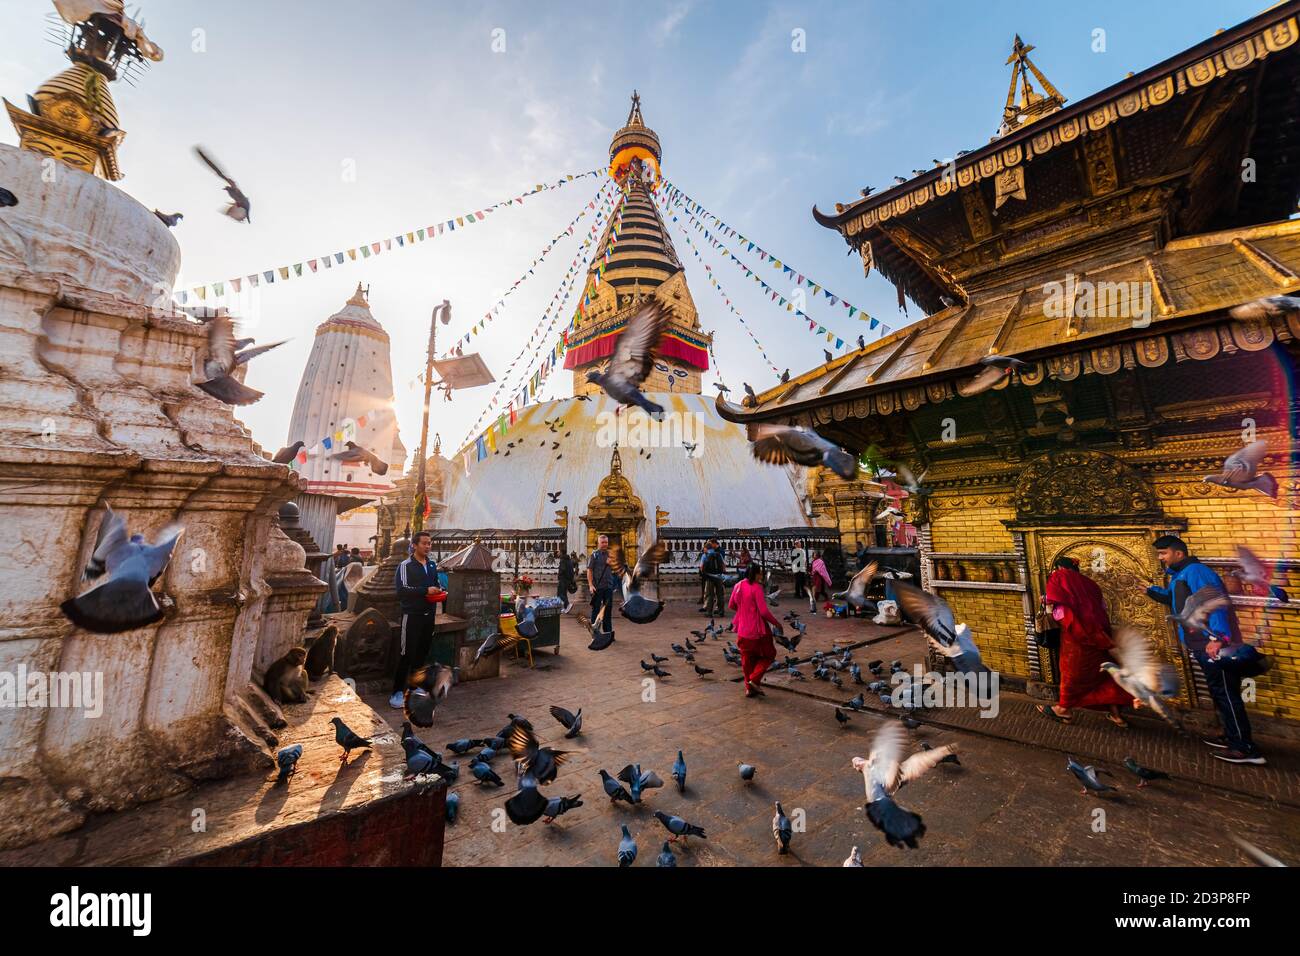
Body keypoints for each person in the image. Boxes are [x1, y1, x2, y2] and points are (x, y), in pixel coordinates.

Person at [1145, 534, 1263, 764]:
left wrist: (1218, 638)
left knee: (1226, 694)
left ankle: (1245, 748)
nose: (1161, 559)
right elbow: (1174, 600)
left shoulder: (1197, 572)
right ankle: (1231, 736)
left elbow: (1214, 603)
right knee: (1219, 690)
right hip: (1200, 643)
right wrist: (1150, 590)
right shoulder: (1180, 576)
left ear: (1178, 553)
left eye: (1164, 554)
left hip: (1213, 644)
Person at [1035, 557, 1132, 727]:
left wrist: (1047, 603)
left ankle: (1063, 709)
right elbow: (1101, 607)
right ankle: (1116, 715)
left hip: (1077, 637)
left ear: (1059, 567)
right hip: (1101, 635)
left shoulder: (1059, 577)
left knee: (1072, 676)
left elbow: (1060, 610)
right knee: (1105, 675)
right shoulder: (1090, 584)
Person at [390, 530, 443, 709]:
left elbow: (435, 584)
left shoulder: (432, 565)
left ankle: (413, 689)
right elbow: (402, 590)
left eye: (429, 543)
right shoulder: (405, 566)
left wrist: (438, 590)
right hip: (412, 615)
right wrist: (425, 591)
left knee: (421, 654)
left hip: (429, 616)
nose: (428, 546)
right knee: (407, 654)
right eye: (424, 543)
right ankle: (397, 691)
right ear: (414, 545)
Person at [729, 563, 784, 697]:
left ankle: (749, 688)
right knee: (769, 654)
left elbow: (731, 605)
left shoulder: (738, 585)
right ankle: (754, 679)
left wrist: (744, 612)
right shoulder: (756, 588)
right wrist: (776, 624)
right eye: (760, 573)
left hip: (742, 630)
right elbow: (764, 612)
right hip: (757, 631)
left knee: (747, 661)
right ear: (756, 574)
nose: (762, 575)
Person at [587, 534, 615, 633]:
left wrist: (612, 563)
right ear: (598, 543)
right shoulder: (594, 555)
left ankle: (608, 632)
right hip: (597, 587)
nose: (604, 544)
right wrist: (590, 585)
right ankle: (595, 632)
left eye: (606, 542)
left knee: (608, 610)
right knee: (596, 610)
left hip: (608, 586)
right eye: (602, 542)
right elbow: (589, 570)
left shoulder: (611, 554)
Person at [701, 538, 726, 617]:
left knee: (710, 595)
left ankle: (709, 612)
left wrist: (705, 574)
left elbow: (702, 567)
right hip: (719, 577)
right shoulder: (719, 554)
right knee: (720, 595)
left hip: (710, 578)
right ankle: (721, 611)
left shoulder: (705, 555)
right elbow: (723, 566)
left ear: (706, 548)